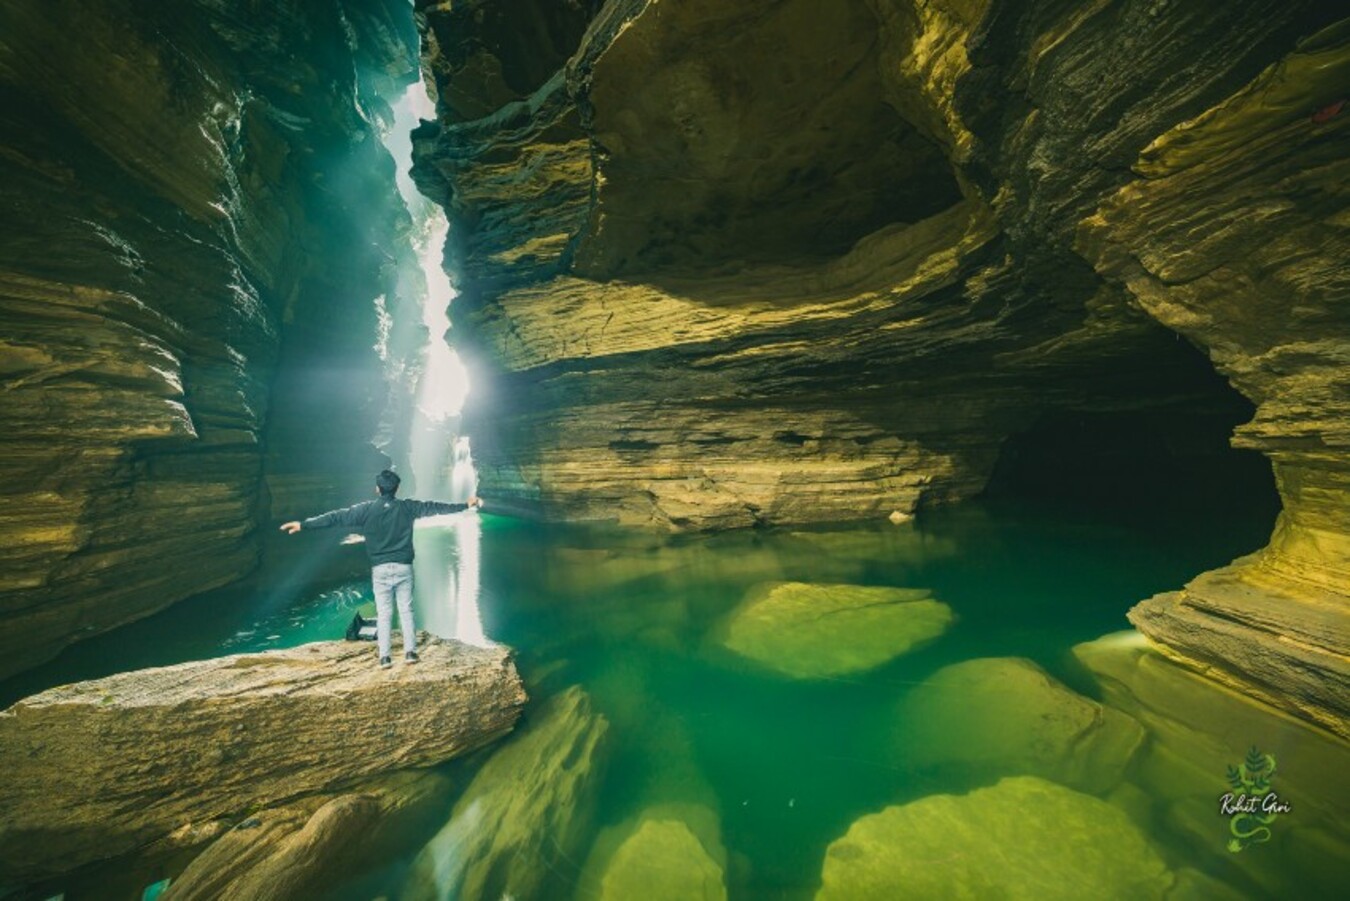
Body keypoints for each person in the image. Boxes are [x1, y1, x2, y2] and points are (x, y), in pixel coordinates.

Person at [280, 469, 480, 669]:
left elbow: (336, 517)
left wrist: (304, 525)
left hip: (380, 570)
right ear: (397, 488)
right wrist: (465, 505)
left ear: (377, 489)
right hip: (404, 568)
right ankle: (410, 653)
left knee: (384, 613)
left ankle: (385, 658)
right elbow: (435, 507)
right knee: (406, 610)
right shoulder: (408, 507)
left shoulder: (366, 510)